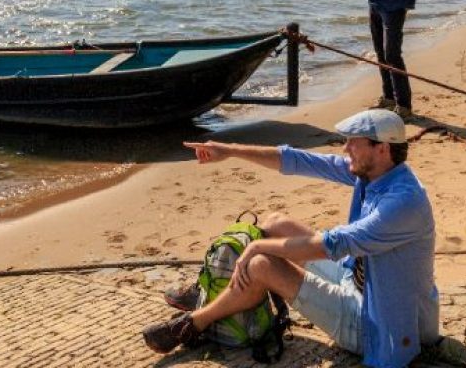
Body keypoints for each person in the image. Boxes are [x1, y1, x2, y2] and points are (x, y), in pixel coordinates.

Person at [140, 109, 440, 368]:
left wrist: (256, 245)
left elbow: (331, 246)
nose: (345, 148)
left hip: (378, 321)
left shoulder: (403, 202)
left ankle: (194, 324)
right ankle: (215, 294)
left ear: (382, 148)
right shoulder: (376, 172)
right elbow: (298, 160)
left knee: (260, 263)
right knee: (275, 224)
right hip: (359, 280)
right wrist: (229, 150)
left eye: (353, 142)